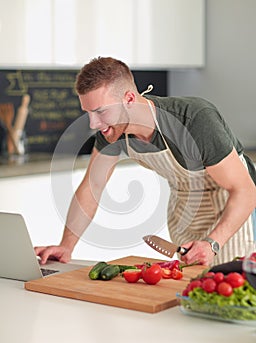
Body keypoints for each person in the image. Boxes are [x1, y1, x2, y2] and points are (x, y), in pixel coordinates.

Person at [35, 57, 256, 266]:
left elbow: (245, 190)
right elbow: (92, 187)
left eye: (100, 112)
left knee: (235, 294)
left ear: (129, 99)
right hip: (186, 211)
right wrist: (66, 246)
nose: (93, 124)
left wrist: (212, 242)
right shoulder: (112, 131)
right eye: (88, 113)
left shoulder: (194, 119)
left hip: (236, 211)